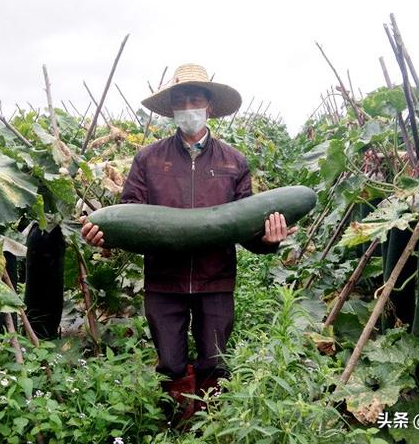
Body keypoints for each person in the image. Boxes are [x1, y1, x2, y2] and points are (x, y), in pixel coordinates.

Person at [80, 63, 295, 422]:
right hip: (165, 281)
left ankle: (209, 424)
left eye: (196, 98)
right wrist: (107, 237)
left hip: (216, 279)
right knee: (170, 362)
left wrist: (269, 239)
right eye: (181, 100)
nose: (189, 106)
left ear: (209, 105)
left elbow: (245, 229)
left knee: (215, 360)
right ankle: (177, 423)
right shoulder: (148, 159)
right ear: (173, 108)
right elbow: (132, 214)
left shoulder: (234, 161)